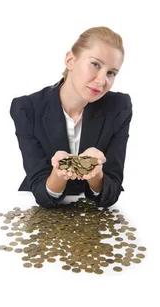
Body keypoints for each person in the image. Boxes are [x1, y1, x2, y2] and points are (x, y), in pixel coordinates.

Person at [10, 26, 132, 208]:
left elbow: (112, 193)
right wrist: (59, 174)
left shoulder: (118, 107)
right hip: (39, 206)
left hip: (94, 210)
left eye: (111, 73)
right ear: (70, 60)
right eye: (95, 64)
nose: (101, 80)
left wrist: (95, 173)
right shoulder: (27, 109)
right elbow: (41, 193)